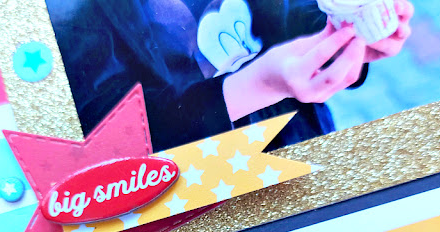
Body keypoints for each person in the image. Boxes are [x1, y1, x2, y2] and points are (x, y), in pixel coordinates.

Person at [47, 0, 413, 152]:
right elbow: (112, 135)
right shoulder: (66, 14)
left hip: (302, 145)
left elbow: (294, 16)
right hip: (198, 207)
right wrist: (256, 86)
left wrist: (341, 33)